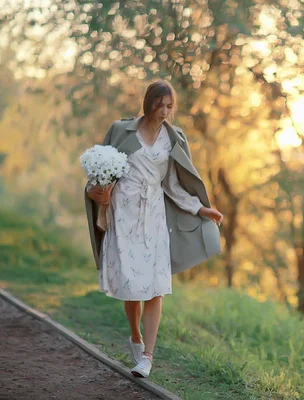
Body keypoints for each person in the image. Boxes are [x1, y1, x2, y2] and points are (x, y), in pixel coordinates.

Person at [84, 80, 223, 378]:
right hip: (123, 214)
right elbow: (97, 180)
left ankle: (147, 356)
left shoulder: (173, 138)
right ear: (148, 103)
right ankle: (135, 335)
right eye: (159, 105)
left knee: (155, 287)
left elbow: (172, 184)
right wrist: (100, 193)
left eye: (169, 106)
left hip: (154, 217)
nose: (164, 111)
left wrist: (200, 208)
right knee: (133, 288)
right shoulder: (123, 131)